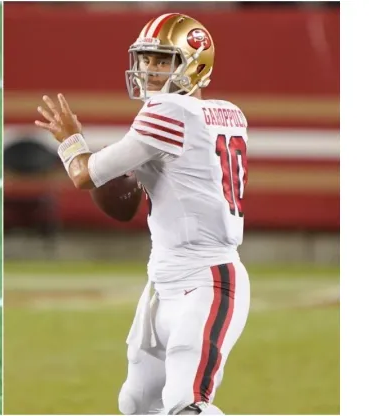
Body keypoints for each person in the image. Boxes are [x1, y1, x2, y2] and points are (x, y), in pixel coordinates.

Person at [34, 13, 250, 415]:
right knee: (137, 404)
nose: (148, 69)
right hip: (162, 283)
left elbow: (84, 174)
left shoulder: (169, 112)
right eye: (146, 58)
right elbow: (126, 203)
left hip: (207, 279)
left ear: (193, 65)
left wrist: (70, 140)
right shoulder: (225, 113)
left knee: (185, 405)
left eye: (162, 60)